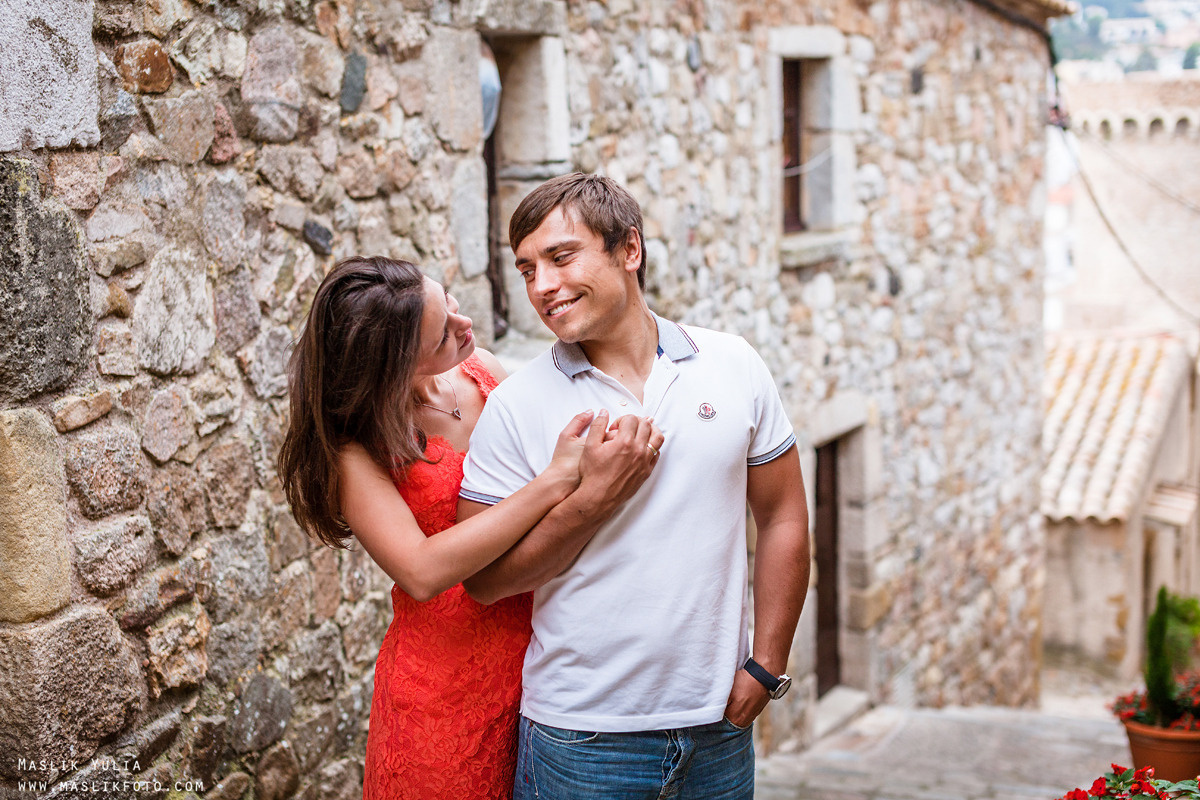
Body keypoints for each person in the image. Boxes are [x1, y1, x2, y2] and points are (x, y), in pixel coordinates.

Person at [458, 174, 812, 799]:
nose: (542, 286)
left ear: (629, 249)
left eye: (561, 258)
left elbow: (783, 515)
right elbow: (485, 581)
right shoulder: (515, 404)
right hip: (579, 739)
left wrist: (768, 663)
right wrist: (594, 499)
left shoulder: (733, 364)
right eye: (526, 269)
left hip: (718, 733)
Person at [276, 255, 664, 800]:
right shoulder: (354, 450)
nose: (465, 327)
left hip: (538, 659)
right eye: (441, 336)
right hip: (442, 685)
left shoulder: (481, 371)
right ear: (395, 366)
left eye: (450, 303)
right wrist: (553, 481)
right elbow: (421, 569)